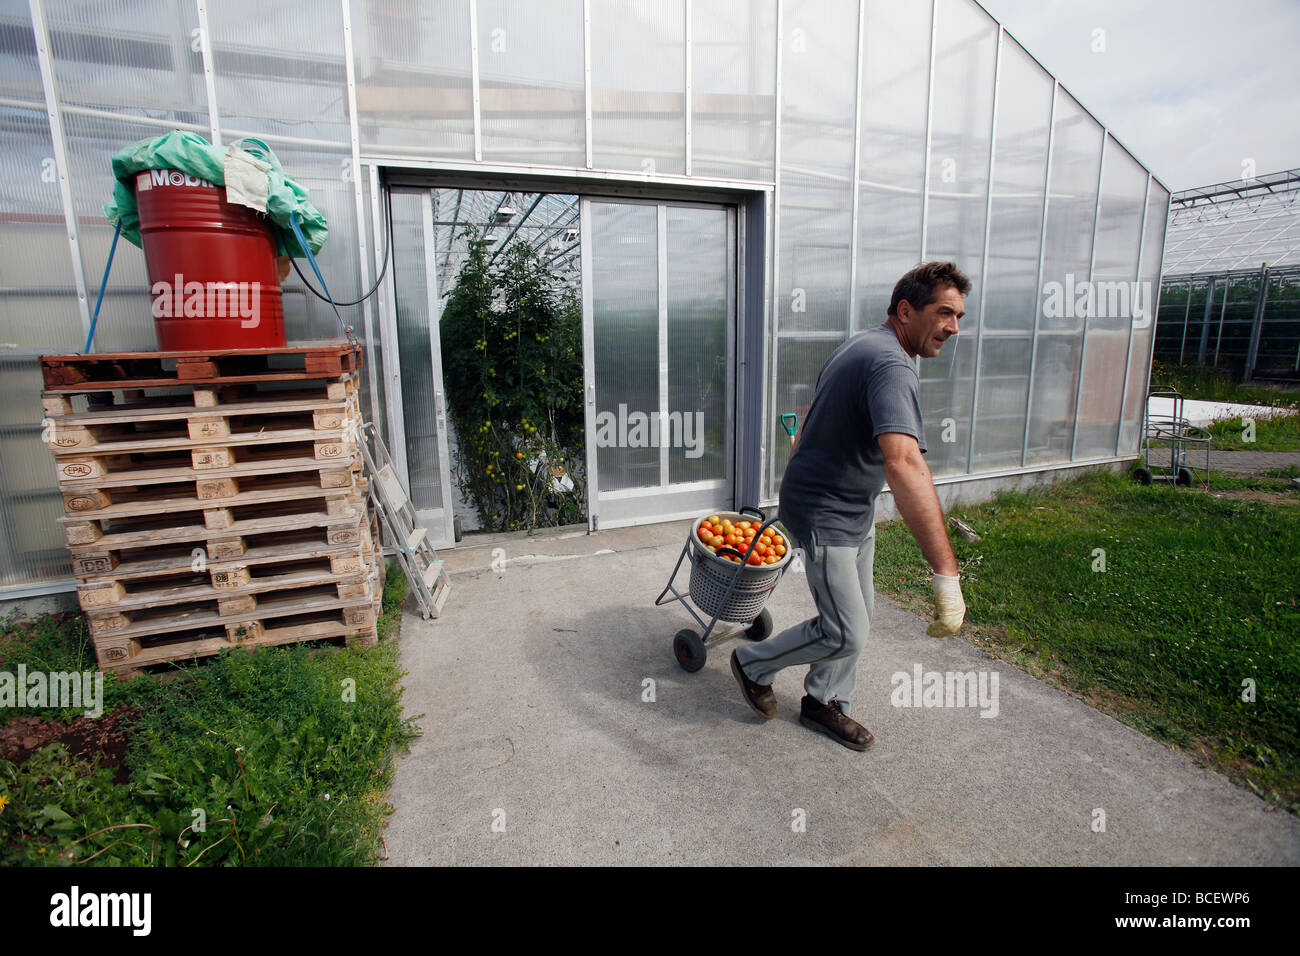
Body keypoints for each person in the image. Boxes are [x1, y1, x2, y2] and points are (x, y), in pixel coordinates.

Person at [732, 261, 971, 751]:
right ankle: (753, 665)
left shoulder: (866, 343)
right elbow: (904, 463)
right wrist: (946, 575)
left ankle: (825, 700)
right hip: (825, 514)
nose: (954, 328)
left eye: (960, 316)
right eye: (945, 313)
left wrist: (797, 474)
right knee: (847, 631)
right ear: (906, 311)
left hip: (848, 507)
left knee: (856, 616)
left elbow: (817, 413)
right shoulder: (889, 364)